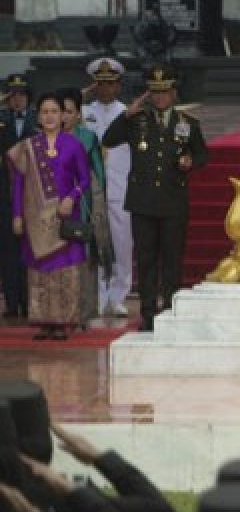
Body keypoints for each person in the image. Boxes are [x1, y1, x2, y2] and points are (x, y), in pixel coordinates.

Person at [101, 65, 208, 333]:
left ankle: (170, 311)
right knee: (147, 260)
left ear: (174, 93)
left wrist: (190, 161)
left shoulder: (187, 123)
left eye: (164, 92)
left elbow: (203, 154)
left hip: (173, 202)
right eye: (154, 93)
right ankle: (148, 314)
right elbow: (108, 139)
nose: (159, 98)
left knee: (172, 259)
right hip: (143, 202)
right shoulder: (137, 121)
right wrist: (125, 115)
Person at [6, 92, 92, 340]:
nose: (50, 116)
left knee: (64, 268)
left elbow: (84, 180)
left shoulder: (73, 144)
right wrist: (17, 216)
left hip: (64, 216)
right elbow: (19, 185)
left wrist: (70, 198)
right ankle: (44, 322)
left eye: (55, 111)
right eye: (45, 112)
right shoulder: (29, 146)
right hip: (36, 220)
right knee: (40, 269)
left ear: (63, 116)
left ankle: (63, 322)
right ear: (38, 116)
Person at [82, 58, 134, 319]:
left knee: (122, 243)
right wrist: (83, 95)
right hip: (92, 188)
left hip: (120, 187)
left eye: (110, 84)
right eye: (100, 84)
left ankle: (119, 295)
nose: (105, 89)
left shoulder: (128, 113)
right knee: (96, 244)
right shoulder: (84, 112)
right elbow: (61, 107)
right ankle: (100, 295)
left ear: (118, 86)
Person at [59, 87, 112, 324]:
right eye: (60, 111)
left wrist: (98, 210)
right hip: (53, 207)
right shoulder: (45, 138)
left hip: (82, 204)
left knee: (84, 257)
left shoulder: (88, 138)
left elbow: (99, 174)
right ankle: (58, 312)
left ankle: (86, 311)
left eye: (69, 111)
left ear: (78, 114)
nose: (63, 116)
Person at [1, 74, 36, 320]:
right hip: (4, 192)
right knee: (8, 250)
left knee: (32, 248)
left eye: (21, 94)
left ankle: (31, 302)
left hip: (33, 193)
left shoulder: (39, 120)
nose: (17, 99)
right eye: (12, 95)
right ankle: (12, 302)